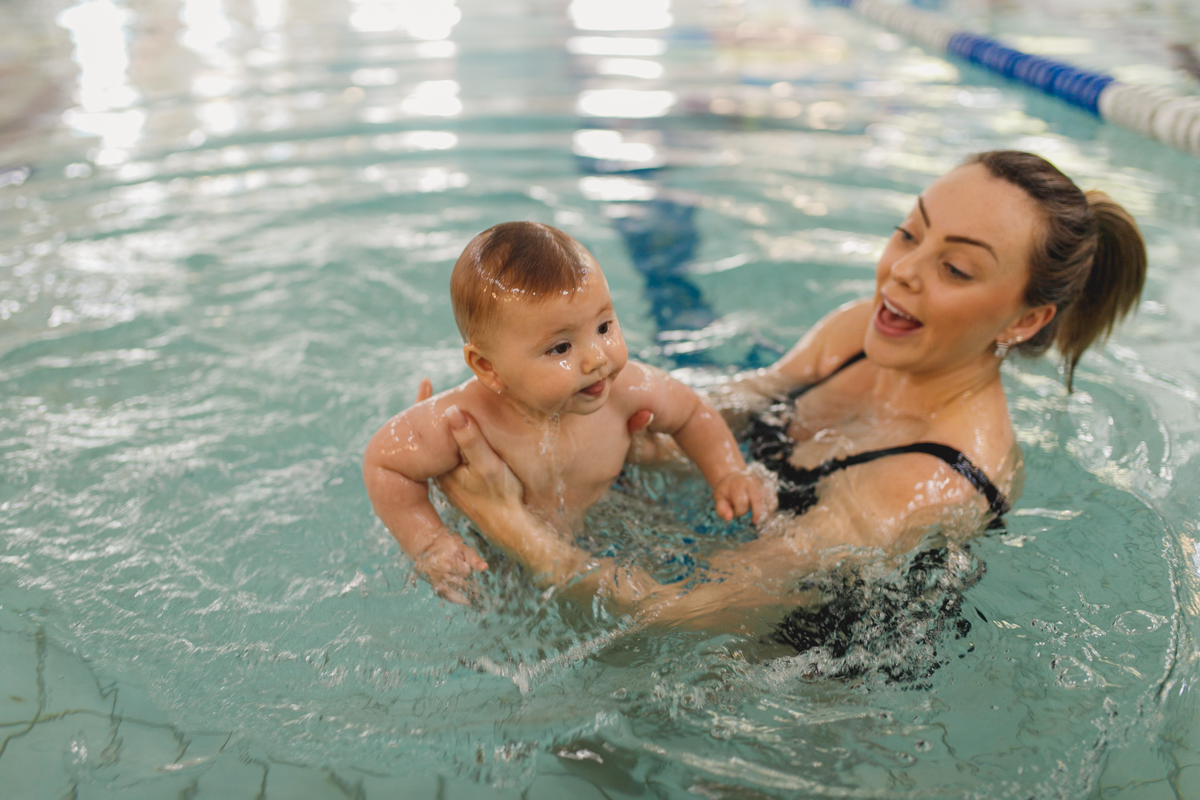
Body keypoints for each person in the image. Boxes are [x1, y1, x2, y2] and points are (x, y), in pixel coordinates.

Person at [425, 151, 1147, 626]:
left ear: (1026, 321)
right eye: (908, 233)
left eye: (956, 270)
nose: (902, 271)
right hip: (730, 536)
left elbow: (692, 614)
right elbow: (736, 403)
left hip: (801, 676)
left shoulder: (934, 480)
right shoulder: (862, 331)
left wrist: (508, 521)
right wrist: (572, 420)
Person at [362, 221, 768, 603]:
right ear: (487, 367)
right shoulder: (464, 421)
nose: (596, 359)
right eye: (560, 348)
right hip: (497, 558)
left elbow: (692, 413)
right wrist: (430, 542)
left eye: (605, 327)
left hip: (599, 524)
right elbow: (384, 462)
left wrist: (728, 471)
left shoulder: (627, 390)